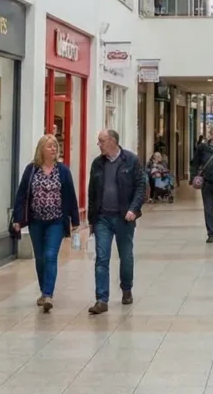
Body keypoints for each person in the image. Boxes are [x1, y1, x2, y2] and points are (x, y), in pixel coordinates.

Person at [11, 134, 80, 313]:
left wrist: (75, 220)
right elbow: (21, 194)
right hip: (35, 221)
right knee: (40, 257)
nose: (53, 149)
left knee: (50, 255)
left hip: (56, 220)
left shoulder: (62, 170)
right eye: (49, 146)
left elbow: (70, 195)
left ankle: (48, 294)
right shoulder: (31, 170)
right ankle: (44, 290)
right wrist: (17, 218)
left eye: (55, 146)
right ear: (41, 149)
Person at [87, 129, 147, 314]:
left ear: (112, 141)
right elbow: (92, 192)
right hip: (102, 218)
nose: (99, 144)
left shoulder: (131, 160)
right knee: (101, 257)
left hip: (124, 218)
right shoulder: (97, 163)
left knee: (126, 256)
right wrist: (91, 220)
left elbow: (141, 187)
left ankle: (126, 288)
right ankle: (101, 299)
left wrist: (133, 209)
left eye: (101, 141)